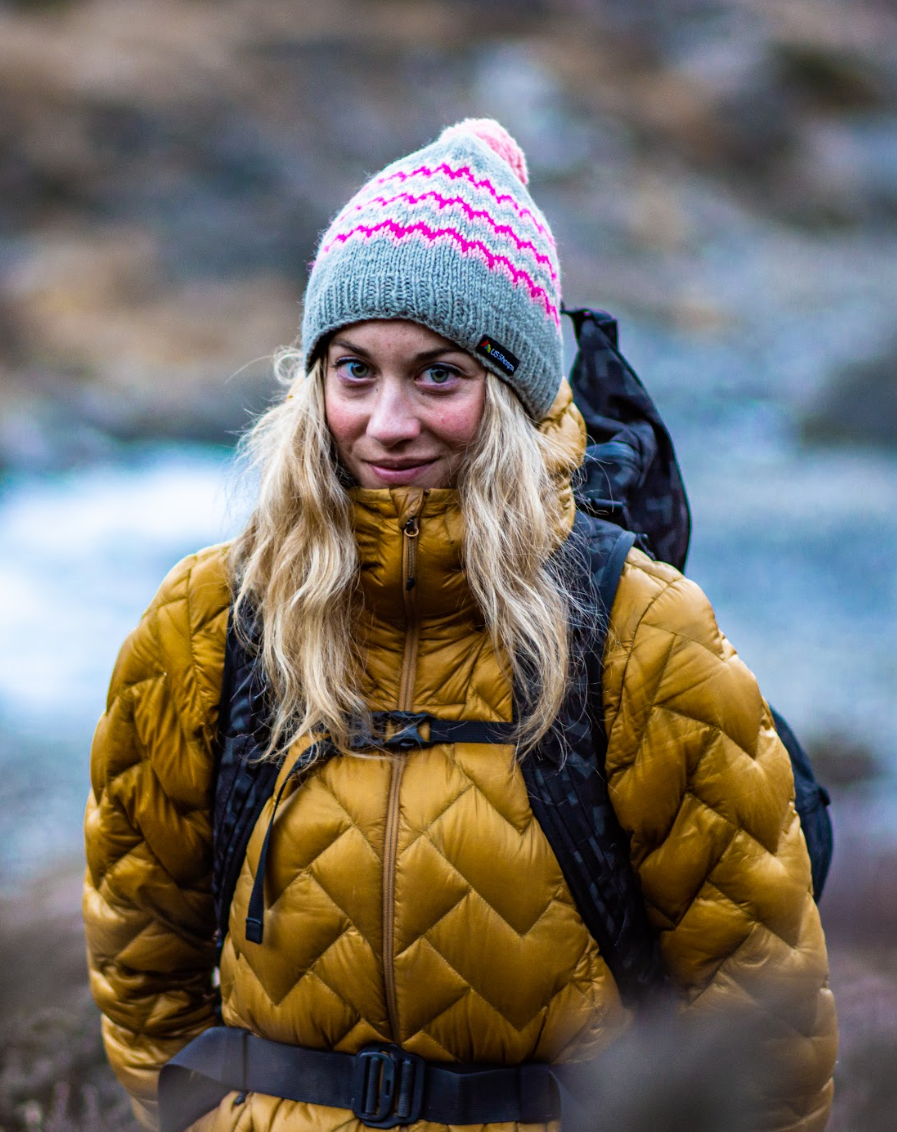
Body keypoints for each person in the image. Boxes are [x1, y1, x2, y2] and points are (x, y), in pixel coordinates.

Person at [83, 119, 836, 1132]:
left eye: (438, 374)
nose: (387, 421)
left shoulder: (639, 631)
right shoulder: (209, 622)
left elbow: (761, 1016)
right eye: (354, 371)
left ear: (516, 396)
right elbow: (140, 953)